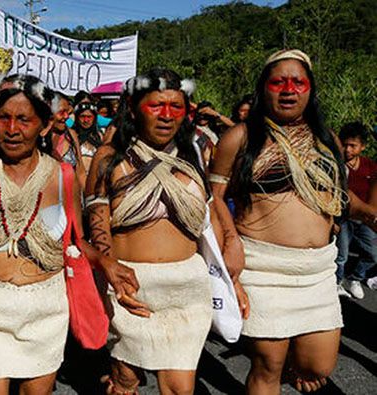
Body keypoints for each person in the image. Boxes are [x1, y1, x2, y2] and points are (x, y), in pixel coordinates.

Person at [0, 74, 138, 395]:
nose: (12, 129)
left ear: (44, 126)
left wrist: (107, 264)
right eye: (4, 117)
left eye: (24, 119)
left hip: (45, 311)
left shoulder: (63, 176)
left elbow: (75, 242)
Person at [209, 49, 377, 393]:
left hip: (318, 270)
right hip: (264, 268)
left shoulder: (326, 139)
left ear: (310, 89)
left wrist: (372, 215)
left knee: (318, 367)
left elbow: (341, 198)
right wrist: (230, 240)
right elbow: (212, 198)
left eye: (298, 82)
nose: (288, 90)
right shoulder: (239, 137)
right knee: (267, 367)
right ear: (263, 89)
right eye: (278, 82)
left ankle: (289, 364)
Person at [86, 69, 243, 395]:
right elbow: (98, 219)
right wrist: (110, 270)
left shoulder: (195, 154)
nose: (167, 115)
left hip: (187, 288)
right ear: (133, 108)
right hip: (132, 287)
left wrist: (232, 279)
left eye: (176, 106)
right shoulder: (109, 157)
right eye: (156, 106)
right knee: (125, 384)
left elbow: (209, 218)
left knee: (179, 388)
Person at [335, 122, 377, 299]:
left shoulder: (370, 166)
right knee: (341, 255)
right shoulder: (336, 166)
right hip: (344, 219)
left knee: (373, 254)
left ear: (363, 147)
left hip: (364, 220)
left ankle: (355, 278)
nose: (348, 149)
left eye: (353, 145)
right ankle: (336, 283)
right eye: (345, 144)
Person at [48, 92, 86, 186]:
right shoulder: (35, 137)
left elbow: (80, 171)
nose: (66, 116)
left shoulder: (71, 135)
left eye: (68, 112)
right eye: (61, 112)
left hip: (70, 195)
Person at [72, 102, 102, 174]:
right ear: (77, 117)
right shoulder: (71, 136)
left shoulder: (100, 136)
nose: (86, 120)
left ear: (94, 118)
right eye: (82, 116)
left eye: (89, 117)